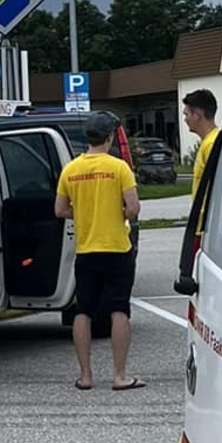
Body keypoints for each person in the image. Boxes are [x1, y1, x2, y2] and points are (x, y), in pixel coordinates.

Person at [55, 110, 144, 392]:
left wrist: (82, 212)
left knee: (84, 311)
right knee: (119, 309)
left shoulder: (71, 169)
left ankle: (85, 375)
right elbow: (133, 209)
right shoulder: (119, 168)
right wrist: (117, 212)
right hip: (117, 248)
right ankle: (119, 375)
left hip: (87, 249)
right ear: (108, 138)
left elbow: (59, 210)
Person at [183, 89, 221, 240]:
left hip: (205, 229)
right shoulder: (208, 142)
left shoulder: (212, 144)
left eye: (187, 114)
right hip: (201, 226)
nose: (185, 119)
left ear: (197, 115)